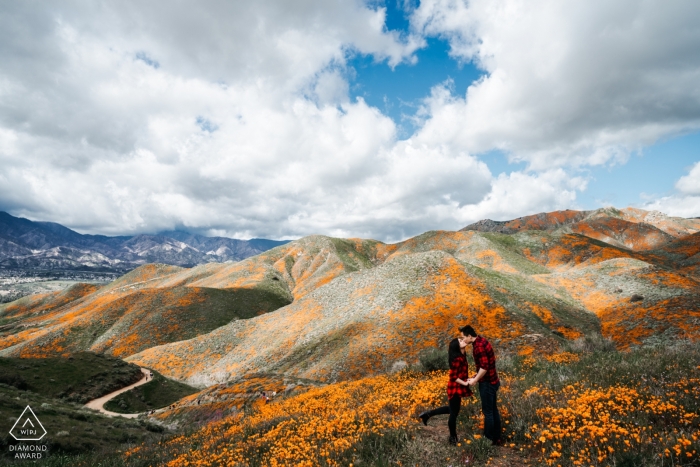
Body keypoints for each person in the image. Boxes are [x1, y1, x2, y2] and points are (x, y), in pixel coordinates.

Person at [417, 338, 473, 445]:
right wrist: (465, 383)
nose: (463, 341)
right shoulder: (457, 359)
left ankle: (428, 414)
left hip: (457, 386)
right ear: (456, 346)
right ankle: (453, 438)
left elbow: (461, 373)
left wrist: (469, 379)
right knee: (454, 413)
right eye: (460, 341)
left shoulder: (462, 355)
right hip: (455, 387)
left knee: (452, 409)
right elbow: (453, 376)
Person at [460, 325, 502, 445]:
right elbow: (485, 365)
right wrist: (474, 377)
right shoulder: (482, 340)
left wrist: (475, 380)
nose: (463, 340)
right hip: (494, 380)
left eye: (463, 338)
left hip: (487, 383)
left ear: (469, 336)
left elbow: (484, 367)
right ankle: (496, 437)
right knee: (493, 410)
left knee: (488, 412)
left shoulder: (478, 347)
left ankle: (488, 440)